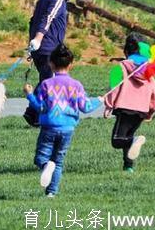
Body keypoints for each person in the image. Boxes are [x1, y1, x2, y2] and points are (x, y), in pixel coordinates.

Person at [23, 44, 102, 197]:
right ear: (71, 65)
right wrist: (99, 101)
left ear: (51, 64)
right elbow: (85, 107)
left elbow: (40, 108)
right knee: (58, 162)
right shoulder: (76, 86)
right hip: (68, 129)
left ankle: (46, 166)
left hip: (49, 127)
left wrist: (29, 94)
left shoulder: (46, 84)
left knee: (41, 158)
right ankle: (51, 193)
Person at [24, 0, 83, 127]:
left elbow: (33, 19)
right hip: (47, 46)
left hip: (43, 46)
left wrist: (34, 41)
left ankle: (33, 113)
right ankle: (37, 114)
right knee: (50, 80)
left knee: (47, 79)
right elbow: (47, 19)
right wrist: (37, 38)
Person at [103, 33, 155, 173]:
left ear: (126, 50)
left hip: (125, 109)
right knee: (127, 135)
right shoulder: (148, 70)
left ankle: (134, 140)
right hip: (141, 111)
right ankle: (128, 166)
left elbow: (114, 87)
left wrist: (108, 105)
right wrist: (152, 110)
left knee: (118, 140)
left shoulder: (121, 66)